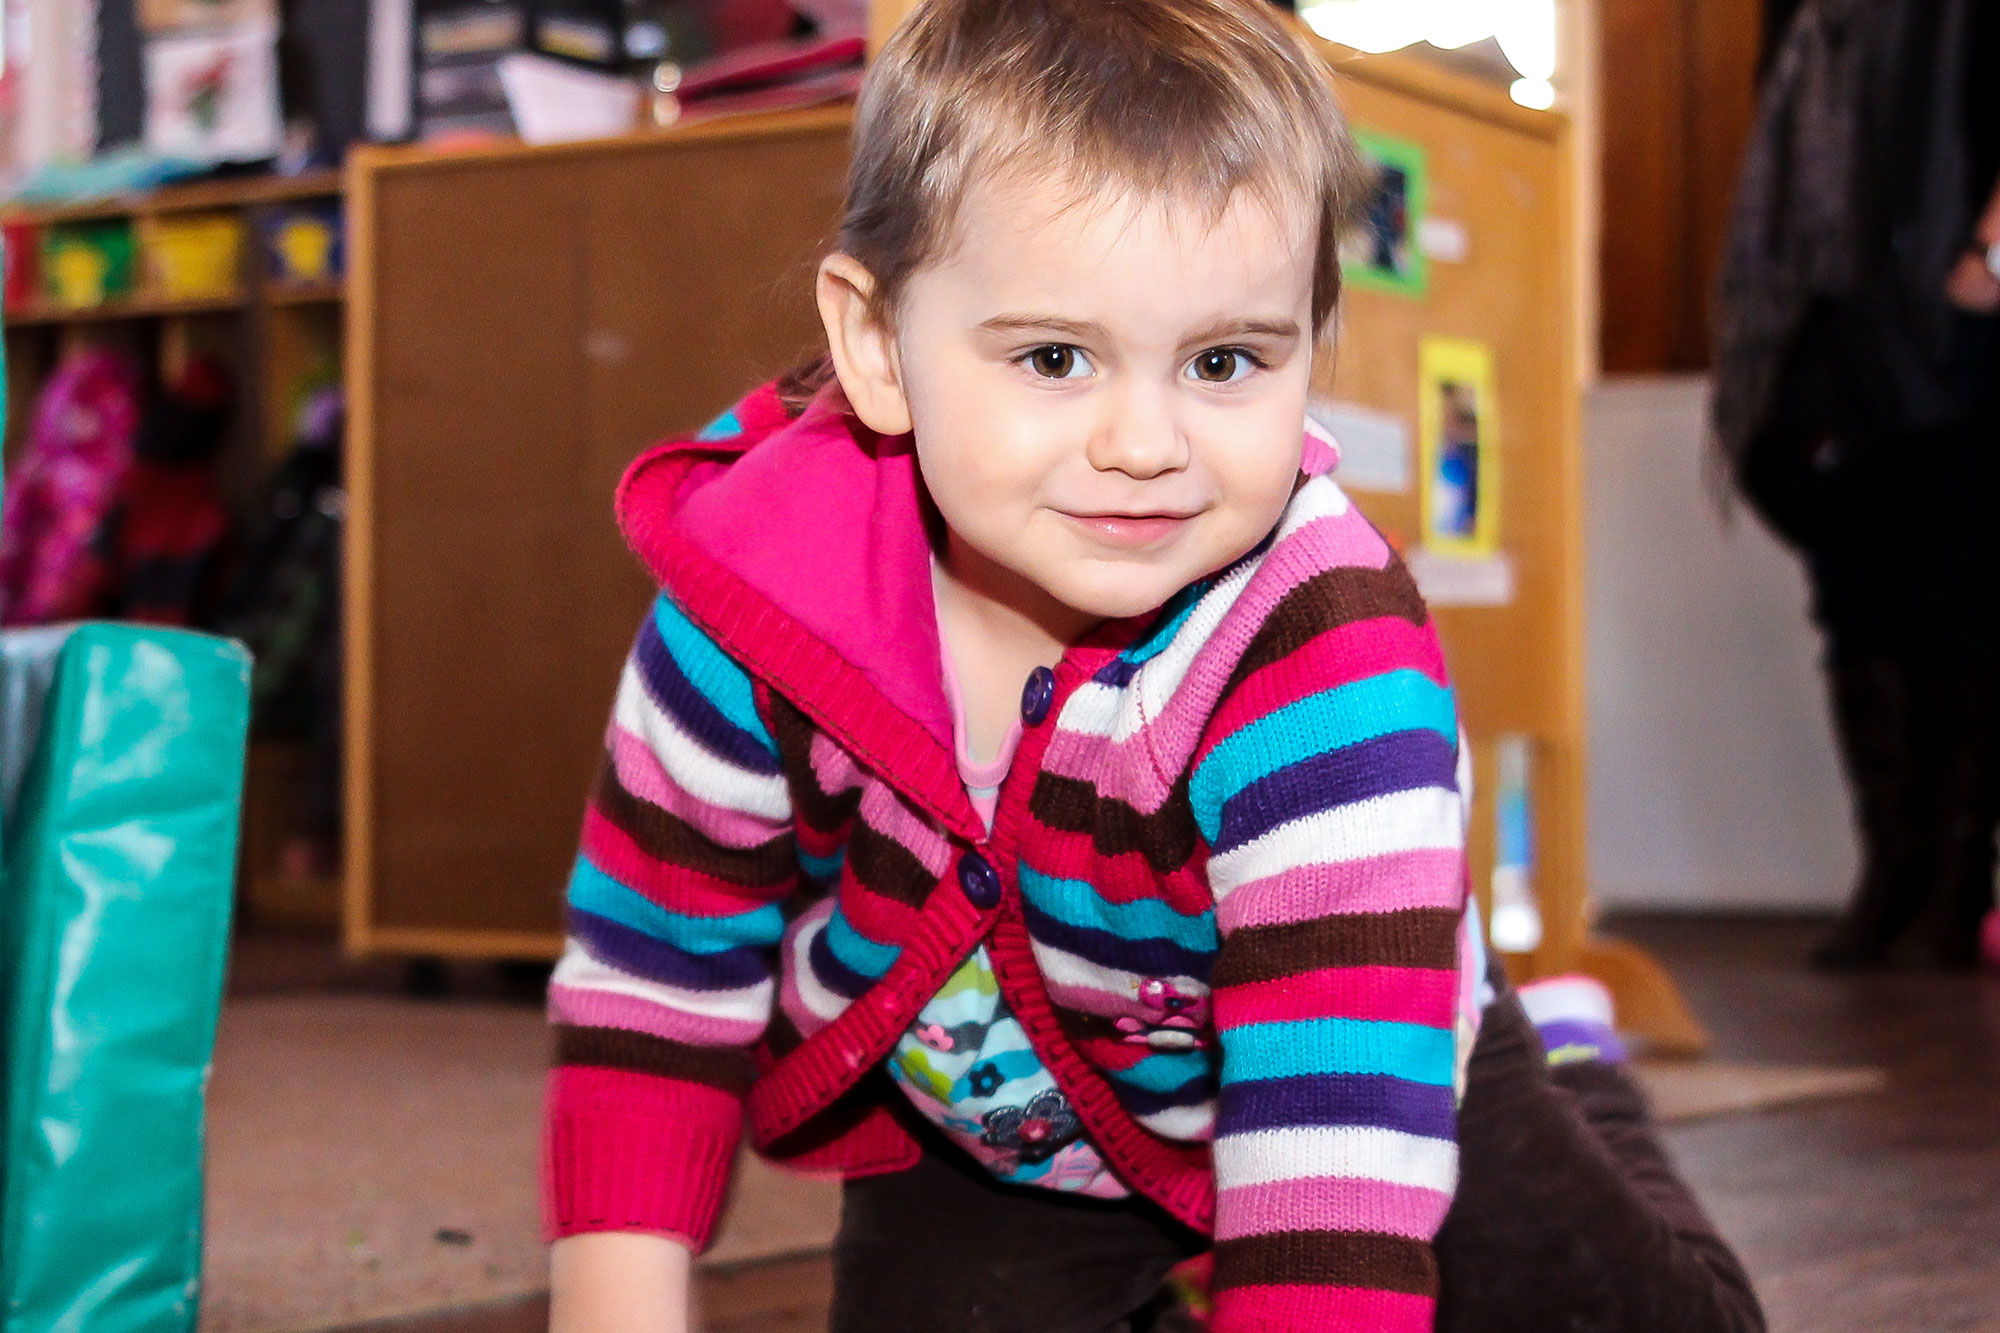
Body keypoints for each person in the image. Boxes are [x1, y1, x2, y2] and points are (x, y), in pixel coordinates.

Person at [544, 1, 1764, 1328]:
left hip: (1364, 1063)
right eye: (1056, 358)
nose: (1145, 442)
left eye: (1225, 360)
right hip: (998, 1124)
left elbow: (1333, 1136)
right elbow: (654, 974)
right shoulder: (757, 597)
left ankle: (1584, 1068)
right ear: (881, 346)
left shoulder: (1324, 655)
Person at [1716, 0, 2000, 970]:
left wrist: (1987, 261)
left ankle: (1956, 886)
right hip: (1829, 312)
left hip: (1952, 314)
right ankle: (1892, 871)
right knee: (1854, 598)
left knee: (1958, 601)